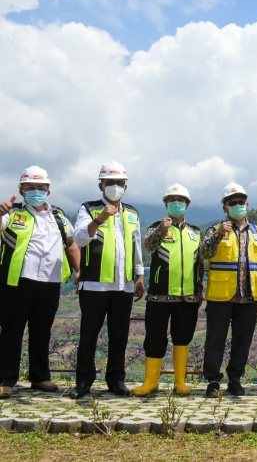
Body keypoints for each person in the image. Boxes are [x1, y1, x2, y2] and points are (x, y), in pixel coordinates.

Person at [0, 166, 80, 398]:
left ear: (49, 191)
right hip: (17, 282)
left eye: (41, 188)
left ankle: (40, 377)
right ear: (21, 191)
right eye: (31, 188)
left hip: (50, 282)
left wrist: (79, 270)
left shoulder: (58, 216)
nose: (36, 191)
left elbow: (71, 244)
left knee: (41, 331)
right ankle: (5, 379)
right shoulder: (12, 213)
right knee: (11, 331)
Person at [68, 161, 145, 399]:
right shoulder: (88, 208)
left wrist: (140, 275)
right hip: (94, 284)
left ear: (126, 186)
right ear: (101, 184)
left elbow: (136, 245)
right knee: (89, 334)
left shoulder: (132, 213)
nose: (115, 186)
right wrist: (99, 218)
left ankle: (116, 380)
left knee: (119, 335)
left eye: (119, 183)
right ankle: (83, 382)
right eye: (110, 182)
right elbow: (79, 239)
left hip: (123, 286)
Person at [132, 184, 204, 397]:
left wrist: (199, 289)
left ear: (187, 205)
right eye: (172, 200)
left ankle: (180, 382)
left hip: (188, 297)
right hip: (159, 295)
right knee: (155, 338)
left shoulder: (195, 232)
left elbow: (198, 264)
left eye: (180, 200)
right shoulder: (156, 227)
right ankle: (150, 382)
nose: (176, 204)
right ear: (165, 204)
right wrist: (162, 229)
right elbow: (148, 245)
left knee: (183, 338)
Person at [200, 183, 257, 398]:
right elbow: (204, 253)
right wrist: (218, 234)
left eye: (241, 202)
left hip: (248, 296)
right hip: (221, 296)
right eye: (233, 203)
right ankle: (212, 380)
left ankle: (235, 379)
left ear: (247, 204)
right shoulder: (214, 230)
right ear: (225, 208)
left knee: (243, 339)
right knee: (215, 339)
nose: (237, 206)